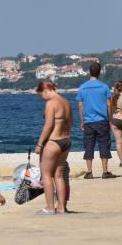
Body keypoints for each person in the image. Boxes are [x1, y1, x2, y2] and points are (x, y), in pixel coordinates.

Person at [34, 80, 72, 214]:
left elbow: (49, 125)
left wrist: (40, 143)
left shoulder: (51, 103)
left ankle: (50, 207)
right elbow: (70, 122)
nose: (42, 98)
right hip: (66, 141)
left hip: (54, 141)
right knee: (59, 176)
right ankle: (62, 207)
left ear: (45, 90)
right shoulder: (66, 102)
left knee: (46, 175)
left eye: (41, 95)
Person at [76, 62, 115, 179]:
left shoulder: (83, 87)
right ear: (99, 72)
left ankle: (89, 172)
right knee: (104, 144)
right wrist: (109, 119)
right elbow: (109, 105)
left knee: (88, 146)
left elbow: (80, 106)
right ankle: (105, 171)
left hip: (88, 121)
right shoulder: (104, 87)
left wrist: (82, 121)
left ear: (89, 72)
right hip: (102, 120)